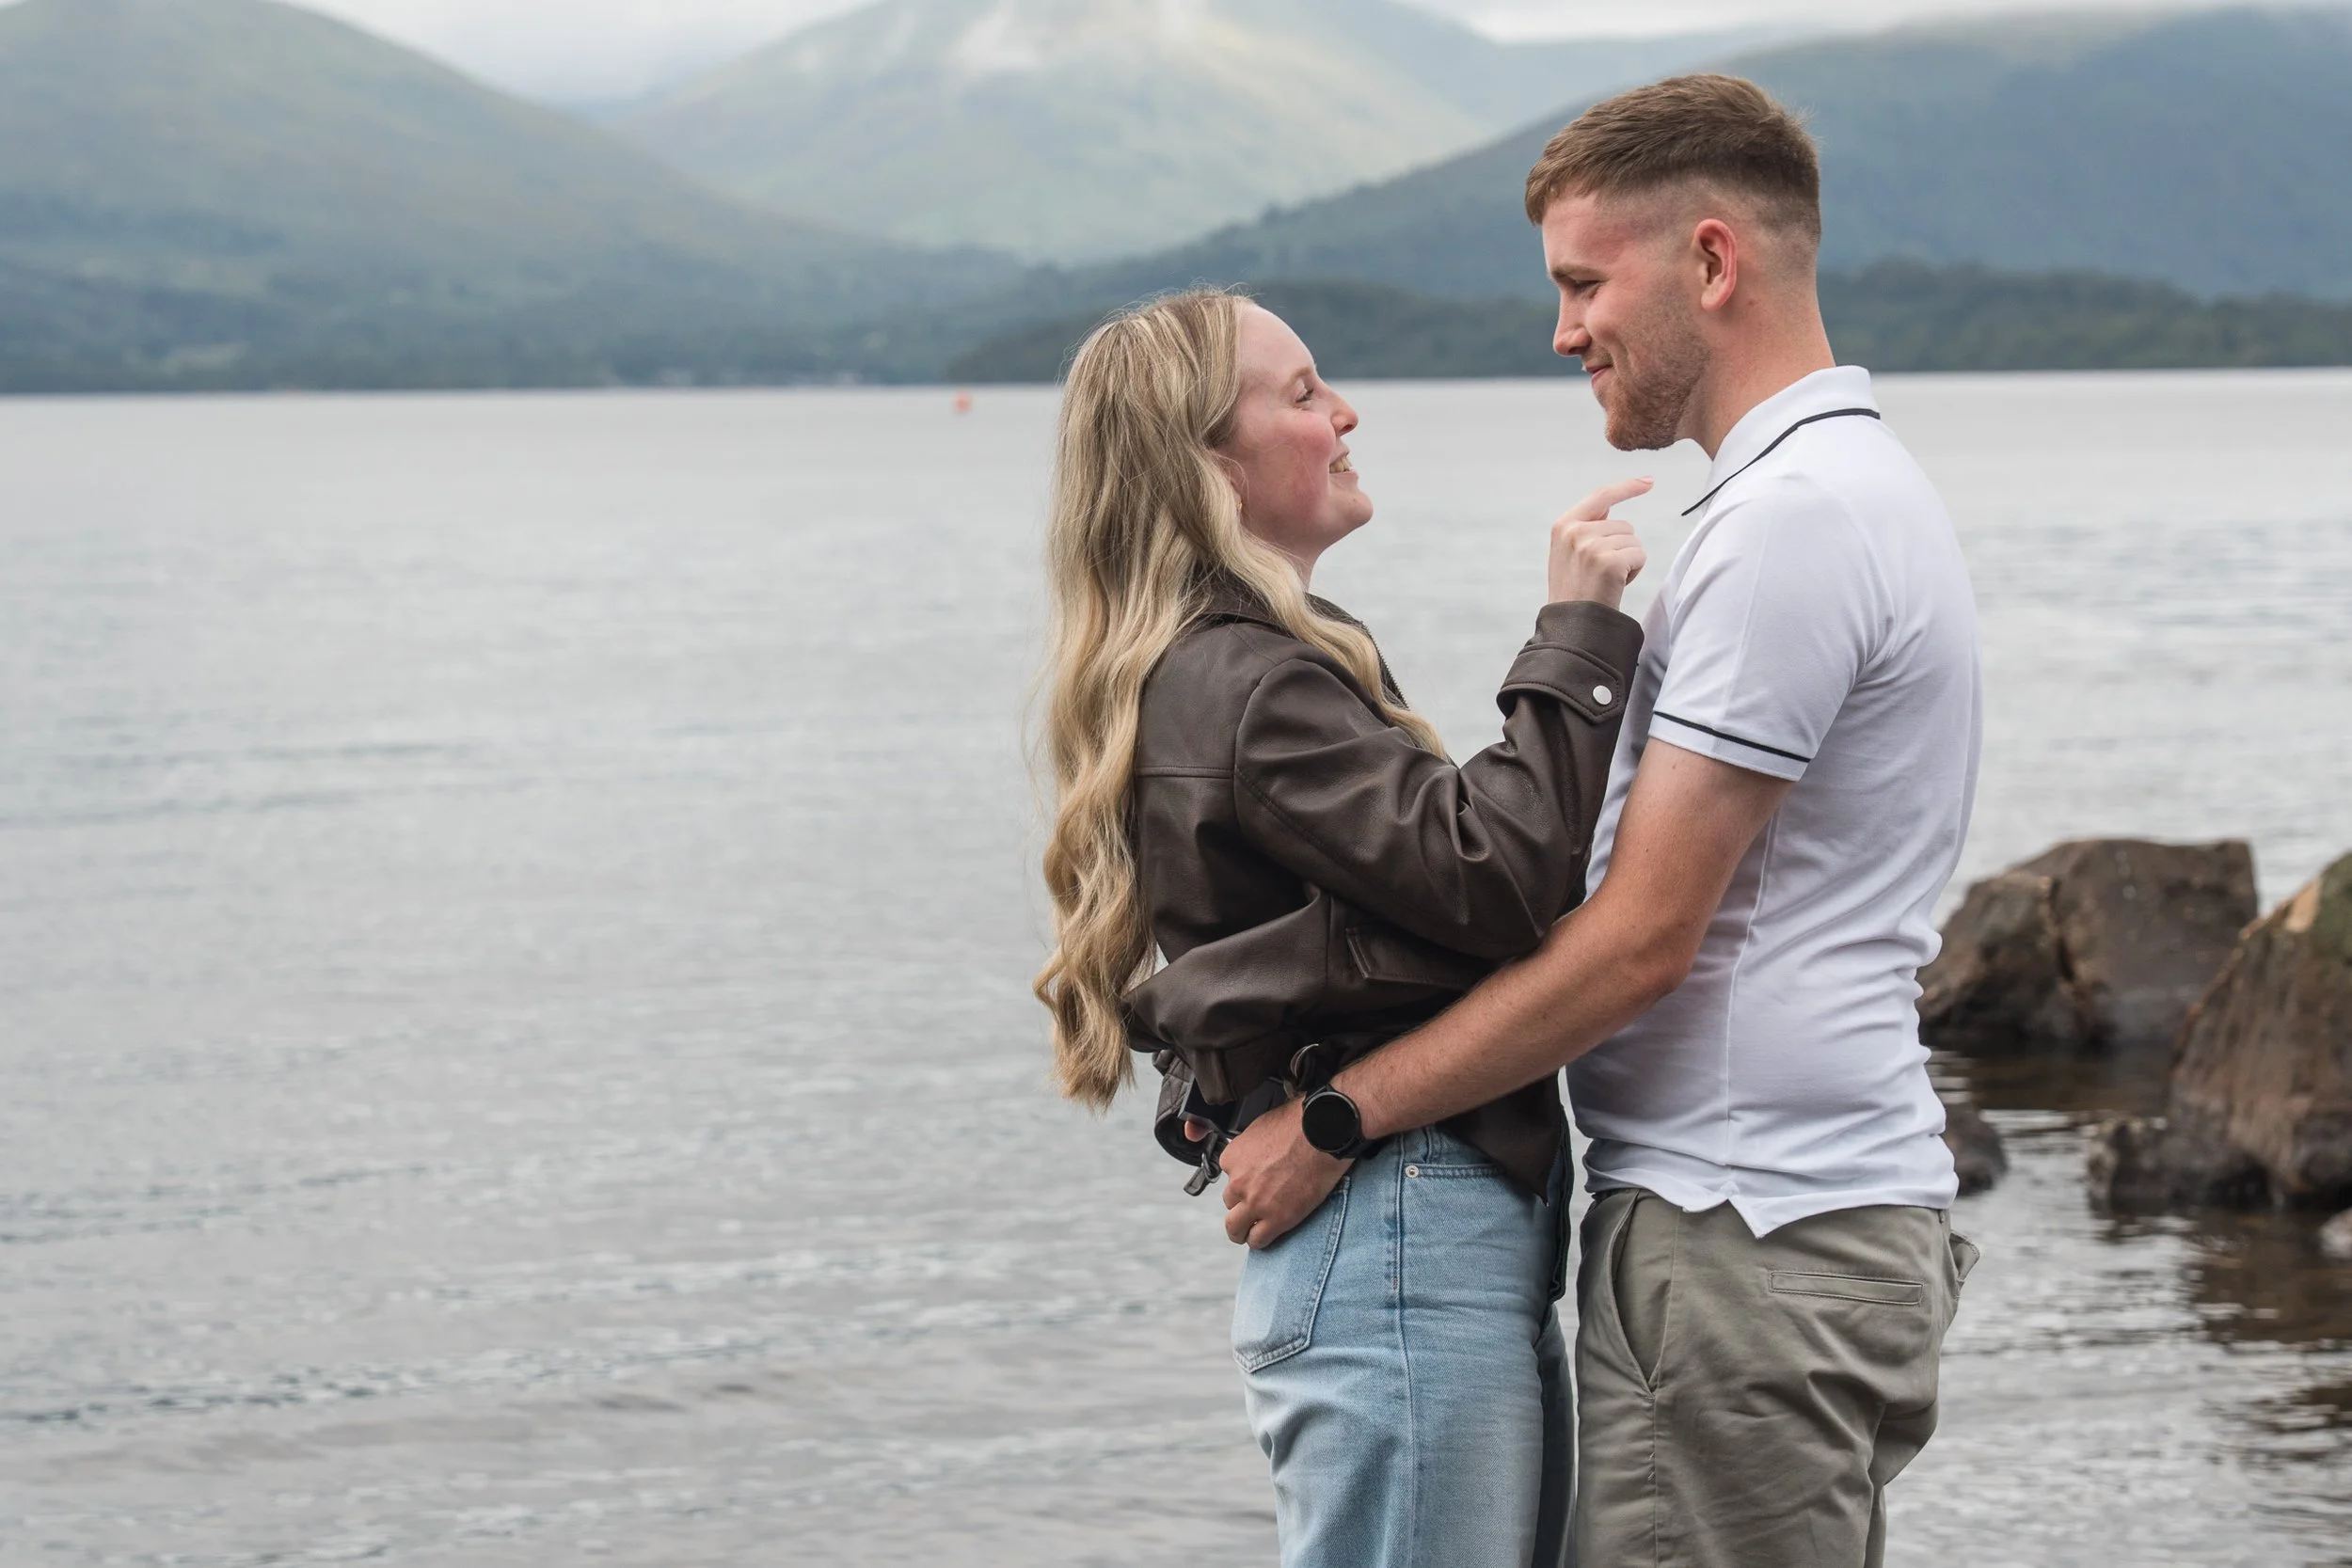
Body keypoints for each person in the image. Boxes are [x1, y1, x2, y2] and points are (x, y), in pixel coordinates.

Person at [1217, 75, 1984, 1568]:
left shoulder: (1792, 527)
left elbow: (1640, 943)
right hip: (1807, 1219)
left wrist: (1337, 1115)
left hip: (1739, 1231)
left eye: (1583, 283)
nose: (1563, 330)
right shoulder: (1841, 492)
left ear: (1712, 262)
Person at [1032, 287, 1647, 1568]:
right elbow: (1494, 874)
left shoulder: (1240, 666)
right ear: (1209, 463)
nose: (1345, 410)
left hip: (1410, 1227)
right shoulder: (1251, 685)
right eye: (1303, 392)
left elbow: (1405, 919)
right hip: (1398, 1236)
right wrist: (1581, 636)